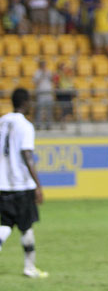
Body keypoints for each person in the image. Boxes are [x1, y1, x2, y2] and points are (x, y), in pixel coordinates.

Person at [0, 88, 48, 278]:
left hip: (2, 184)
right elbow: (26, 154)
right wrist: (38, 185)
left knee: (4, 225)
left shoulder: (2, 121)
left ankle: (30, 267)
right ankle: (29, 267)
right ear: (26, 102)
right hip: (21, 184)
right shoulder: (25, 126)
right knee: (26, 226)